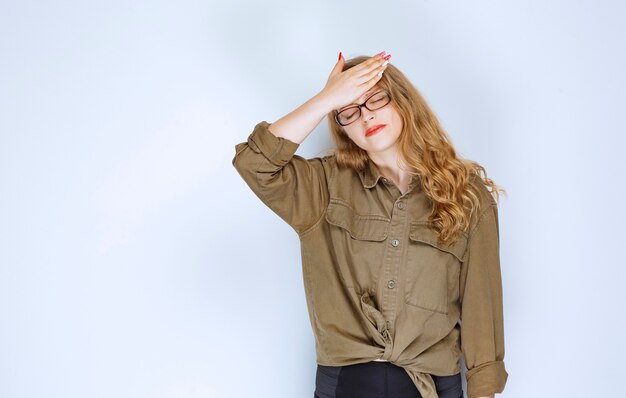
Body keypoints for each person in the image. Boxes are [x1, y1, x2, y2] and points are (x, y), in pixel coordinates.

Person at [232, 51, 509, 398]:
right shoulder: (323, 186)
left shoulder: (467, 195)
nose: (367, 116)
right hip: (346, 384)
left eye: (376, 97)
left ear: (403, 100)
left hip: (434, 386)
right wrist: (327, 98)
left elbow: (483, 312)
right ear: (343, 127)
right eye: (350, 110)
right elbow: (254, 163)